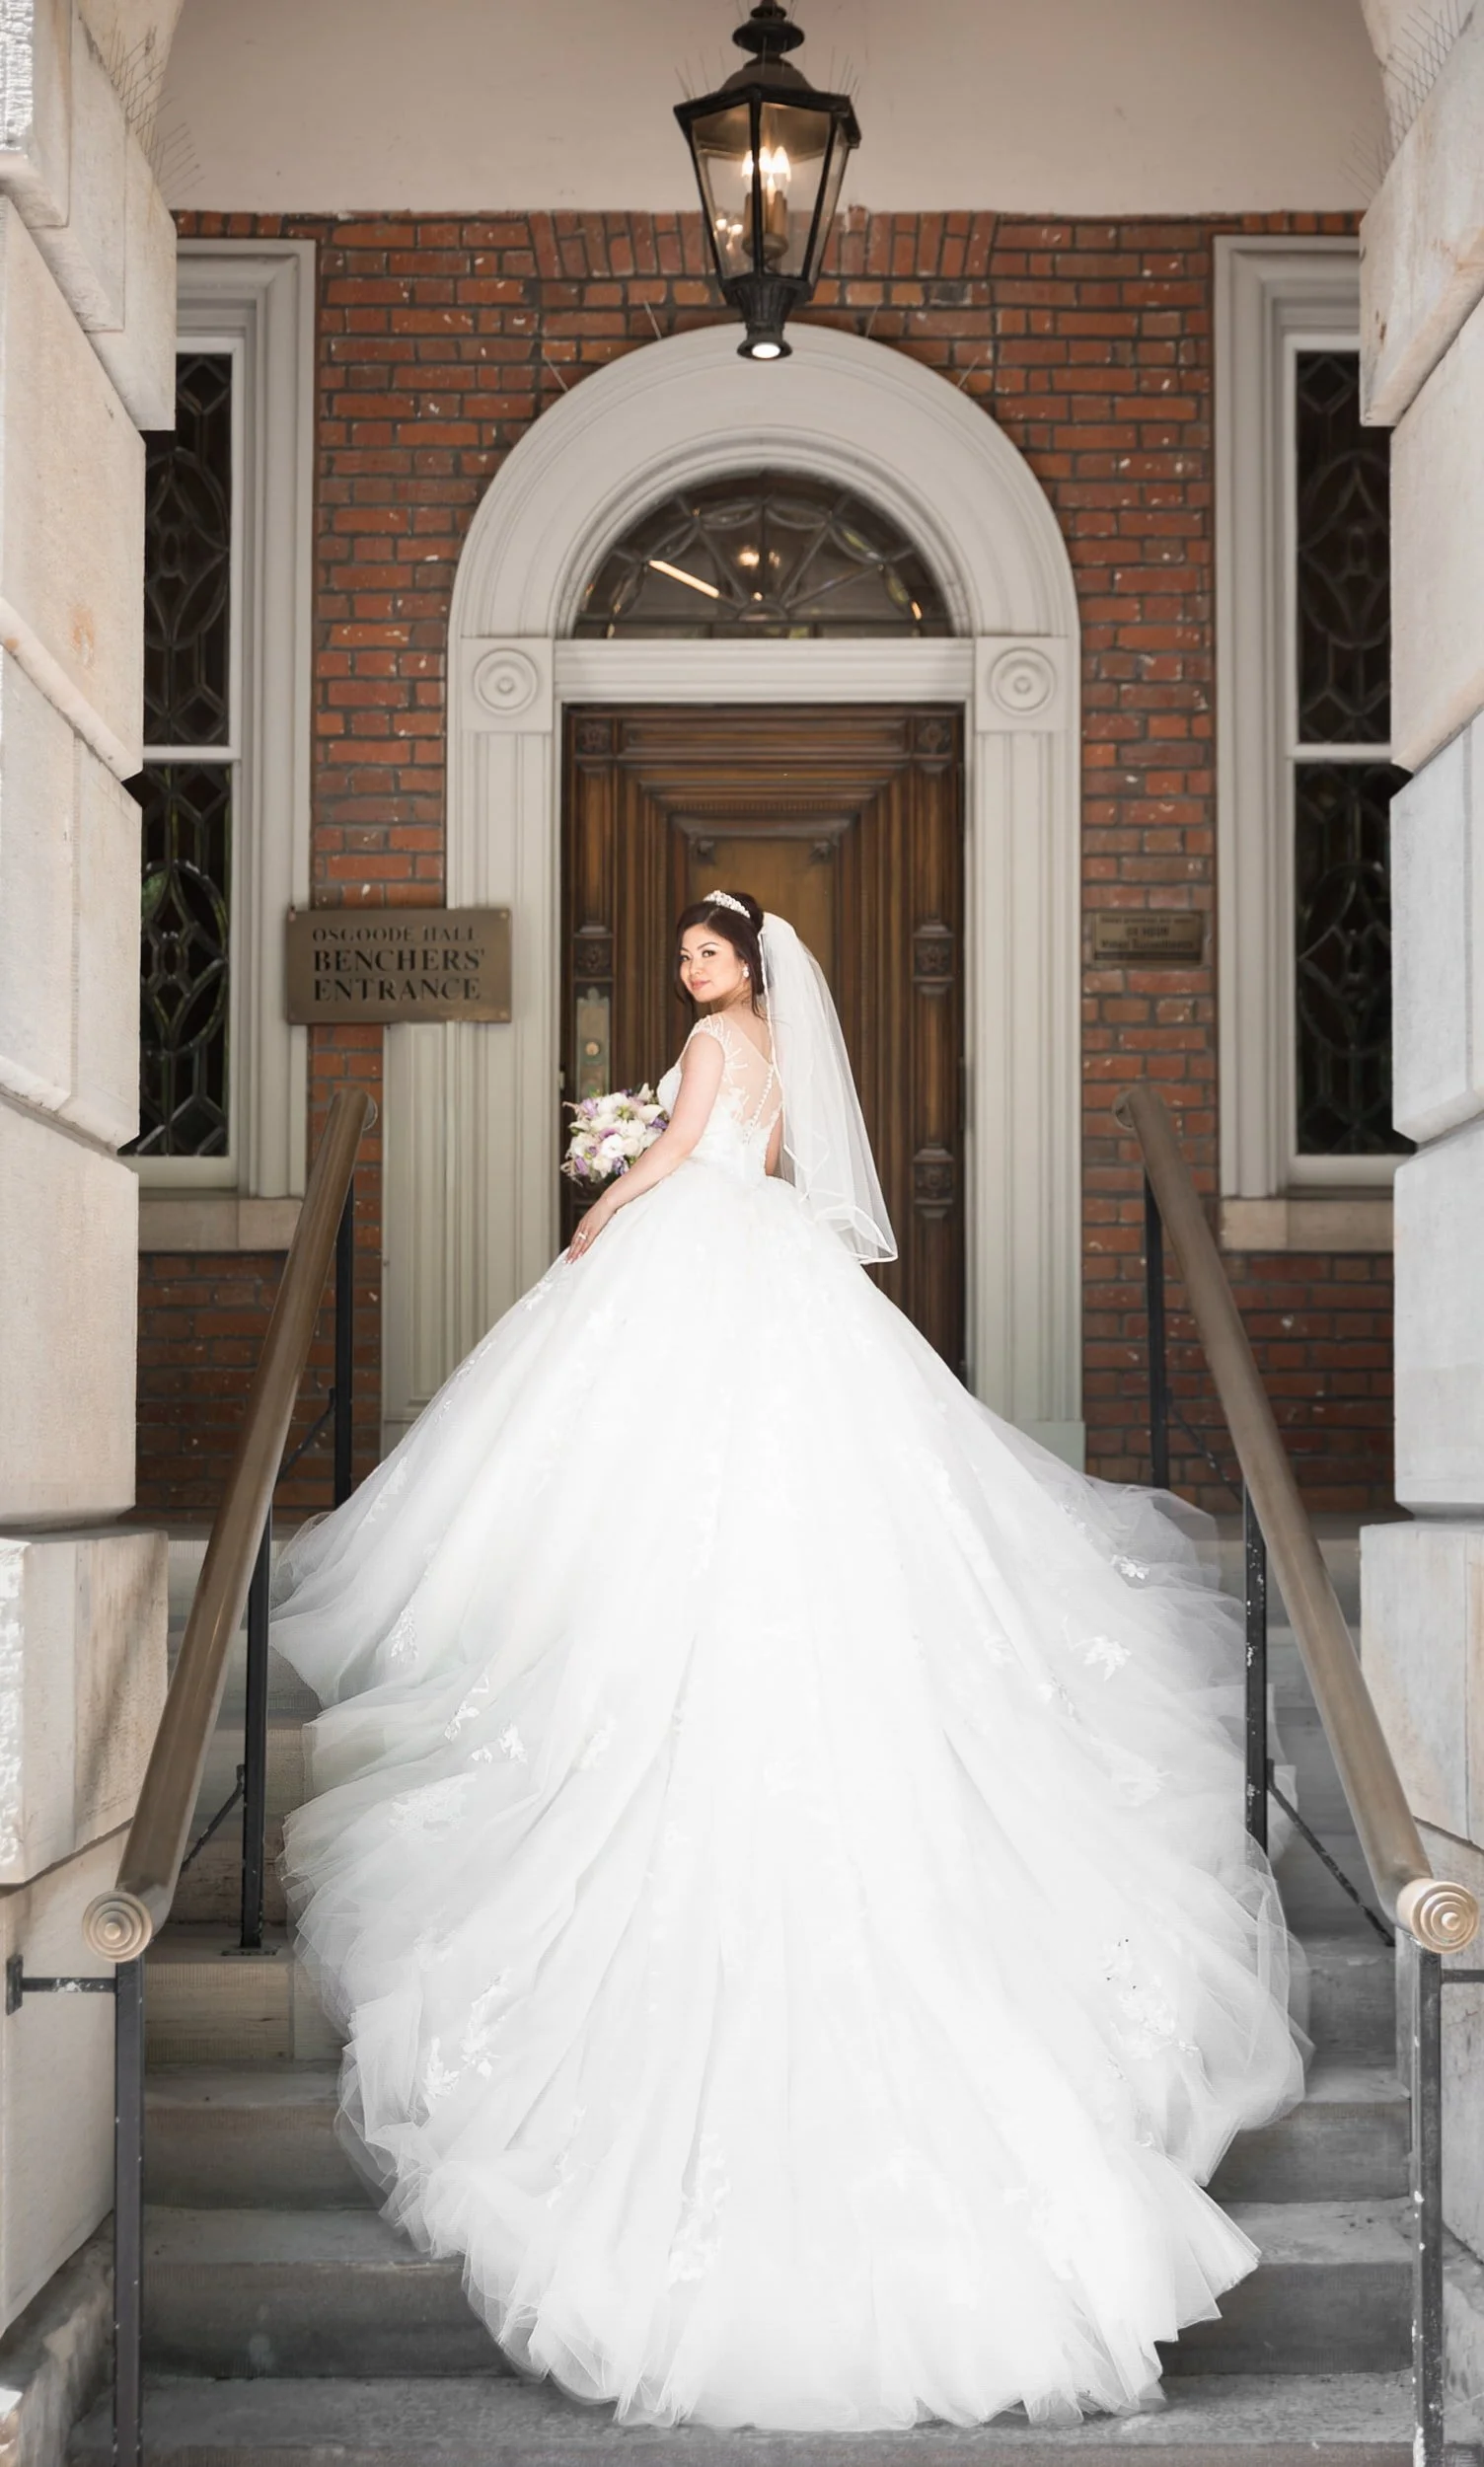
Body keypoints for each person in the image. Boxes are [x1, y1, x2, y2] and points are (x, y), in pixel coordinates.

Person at [271, 891, 1303, 2433]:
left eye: (706, 954)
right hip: (776, 1273)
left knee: (635, 1476)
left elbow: (686, 1155)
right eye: (684, 955)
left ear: (746, 967)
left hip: (695, 1257)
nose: (693, 973)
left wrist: (599, 1212)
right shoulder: (775, 1050)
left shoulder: (702, 1047)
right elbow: (779, 1166)